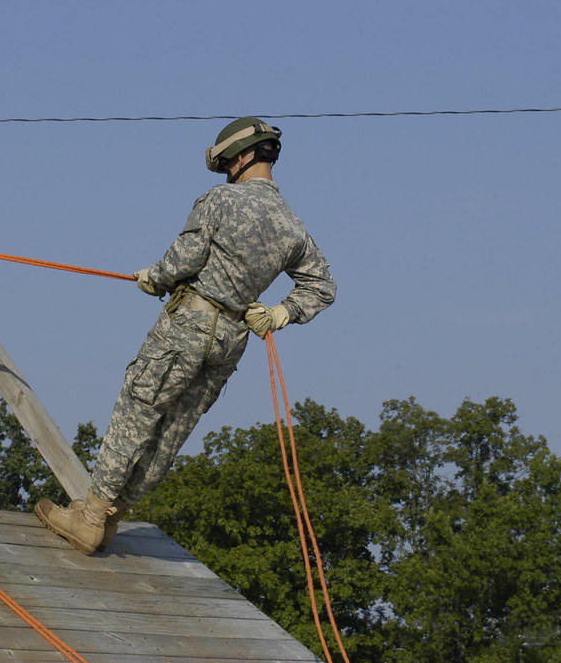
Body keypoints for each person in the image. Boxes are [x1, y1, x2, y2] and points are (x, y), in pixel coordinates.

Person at [35, 117, 336, 553]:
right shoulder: (292, 225)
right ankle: (113, 517)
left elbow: (185, 259)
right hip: (232, 339)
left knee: (138, 411)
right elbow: (322, 287)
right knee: (175, 428)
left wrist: (153, 278)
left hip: (189, 325)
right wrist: (280, 314)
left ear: (242, 156)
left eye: (229, 161)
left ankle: (89, 516)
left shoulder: (221, 200)